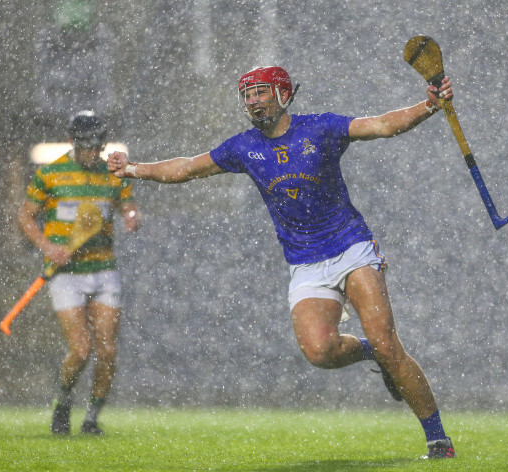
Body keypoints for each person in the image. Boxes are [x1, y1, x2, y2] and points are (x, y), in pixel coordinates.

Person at [108, 66, 455, 458]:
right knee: (319, 352)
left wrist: (429, 105)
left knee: (389, 344)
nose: (253, 101)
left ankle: (438, 440)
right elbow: (187, 168)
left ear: (284, 94)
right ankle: (369, 350)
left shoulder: (321, 128)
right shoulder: (243, 147)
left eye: (261, 92)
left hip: (351, 247)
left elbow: (380, 125)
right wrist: (133, 169)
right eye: (248, 95)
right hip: (305, 263)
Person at [18, 110, 140, 435]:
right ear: (71, 141)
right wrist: (47, 246)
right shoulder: (50, 174)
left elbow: (126, 204)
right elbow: (26, 217)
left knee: (108, 349)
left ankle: (91, 419)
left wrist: (130, 216)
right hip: (65, 273)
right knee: (82, 349)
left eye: (96, 146)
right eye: (85, 146)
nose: (91, 153)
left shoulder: (113, 173)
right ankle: (63, 401)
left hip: (103, 269)